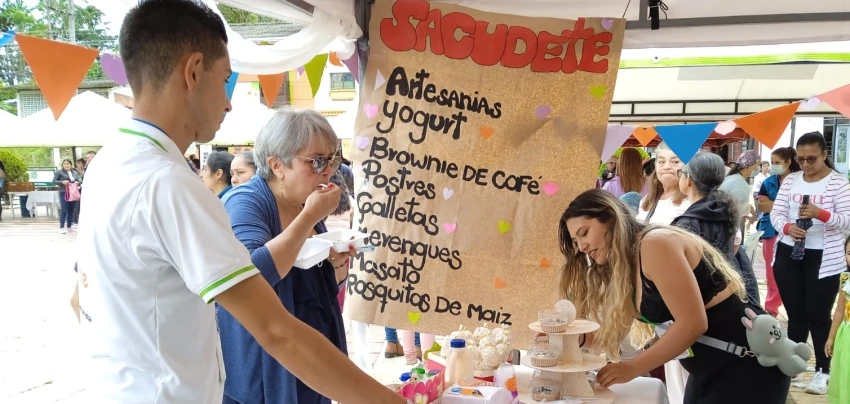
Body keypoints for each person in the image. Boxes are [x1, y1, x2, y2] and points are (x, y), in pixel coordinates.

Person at [74, 2, 405, 403]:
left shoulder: (107, 163)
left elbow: (80, 297)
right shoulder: (171, 185)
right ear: (193, 71)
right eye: (224, 81)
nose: (228, 102)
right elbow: (278, 332)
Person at [563, 189, 790, 404]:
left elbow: (692, 324)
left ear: (610, 219)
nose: (582, 246)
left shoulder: (654, 244)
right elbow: (613, 329)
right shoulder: (624, 265)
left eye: (584, 233)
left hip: (745, 363)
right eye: (575, 241)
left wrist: (631, 368)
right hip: (708, 367)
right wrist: (565, 339)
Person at [218, 108, 360, 404]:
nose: (328, 170)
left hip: (310, 360)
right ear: (277, 164)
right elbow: (251, 277)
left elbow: (316, 288)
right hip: (265, 368)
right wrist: (309, 216)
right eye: (317, 161)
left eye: (332, 159)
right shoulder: (246, 201)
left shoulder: (302, 204)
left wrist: (337, 264)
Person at [770, 131, 850, 395]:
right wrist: (788, 227)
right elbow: (776, 214)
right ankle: (795, 366)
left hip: (824, 256)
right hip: (789, 253)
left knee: (818, 314)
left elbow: (847, 221)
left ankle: (823, 371)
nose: (805, 164)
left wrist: (821, 214)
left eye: (811, 159)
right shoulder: (791, 180)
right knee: (795, 314)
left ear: (825, 155)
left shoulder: (839, 183)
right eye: (800, 159)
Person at [672, 152, 759, 304]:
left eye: (681, 173)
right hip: (724, 293)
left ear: (689, 180)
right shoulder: (724, 209)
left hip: (700, 298)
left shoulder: (688, 223)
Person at [756, 147, 801, 316]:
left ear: (788, 162)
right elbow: (762, 206)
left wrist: (774, 205)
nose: (773, 166)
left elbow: (800, 208)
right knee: (772, 272)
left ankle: (795, 308)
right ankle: (771, 309)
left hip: (796, 232)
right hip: (771, 231)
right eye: (772, 162)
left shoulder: (801, 180)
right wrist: (787, 206)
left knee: (795, 271)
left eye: (777, 163)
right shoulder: (768, 182)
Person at [637, 143, 690, 225]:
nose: (666, 167)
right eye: (661, 162)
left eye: (675, 162)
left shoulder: (692, 202)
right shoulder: (647, 199)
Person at [825, 237, 849, 403]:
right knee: (844, 375)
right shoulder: (845, 279)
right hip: (845, 337)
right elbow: (840, 310)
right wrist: (831, 337)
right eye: (849, 253)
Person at [53, 159, 80, 234]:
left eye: (68, 164)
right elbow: (54, 181)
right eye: (64, 164)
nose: (66, 165)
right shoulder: (59, 172)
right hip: (64, 192)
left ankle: (69, 226)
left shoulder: (74, 172)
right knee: (64, 210)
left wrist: (78, 182)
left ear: (71, 165)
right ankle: (61, 227)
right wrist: (62, 182)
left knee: (71, 210)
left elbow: (78, 180)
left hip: (73, 192)